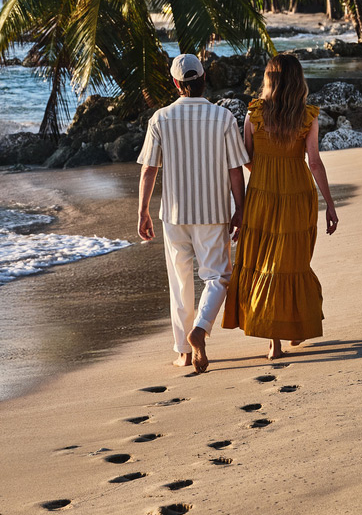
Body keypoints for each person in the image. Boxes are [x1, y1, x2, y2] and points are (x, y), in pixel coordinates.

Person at [223, 53, 341, 360]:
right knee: (290, 263)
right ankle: (294, 327)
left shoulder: (254, 114)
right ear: (298, 81)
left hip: (261, 196)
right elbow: (314, 162)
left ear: (269, 80)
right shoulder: (307, 116)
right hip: (299, 195)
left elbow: (246, 158)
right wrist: (329, 204)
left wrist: (266, 171)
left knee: (265, 263)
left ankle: (274, 342)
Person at [137, 53, 248, 374]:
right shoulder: (223, 118)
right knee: (218, 277)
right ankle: (200, 327)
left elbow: (149, 169)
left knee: (180, 282)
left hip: (174, 214)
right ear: (204, 79)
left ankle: (184, 353)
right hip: (213, 212)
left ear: (175, 83)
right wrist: (240, 208)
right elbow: (236, 169)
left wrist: (143, 211)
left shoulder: (160, 119)